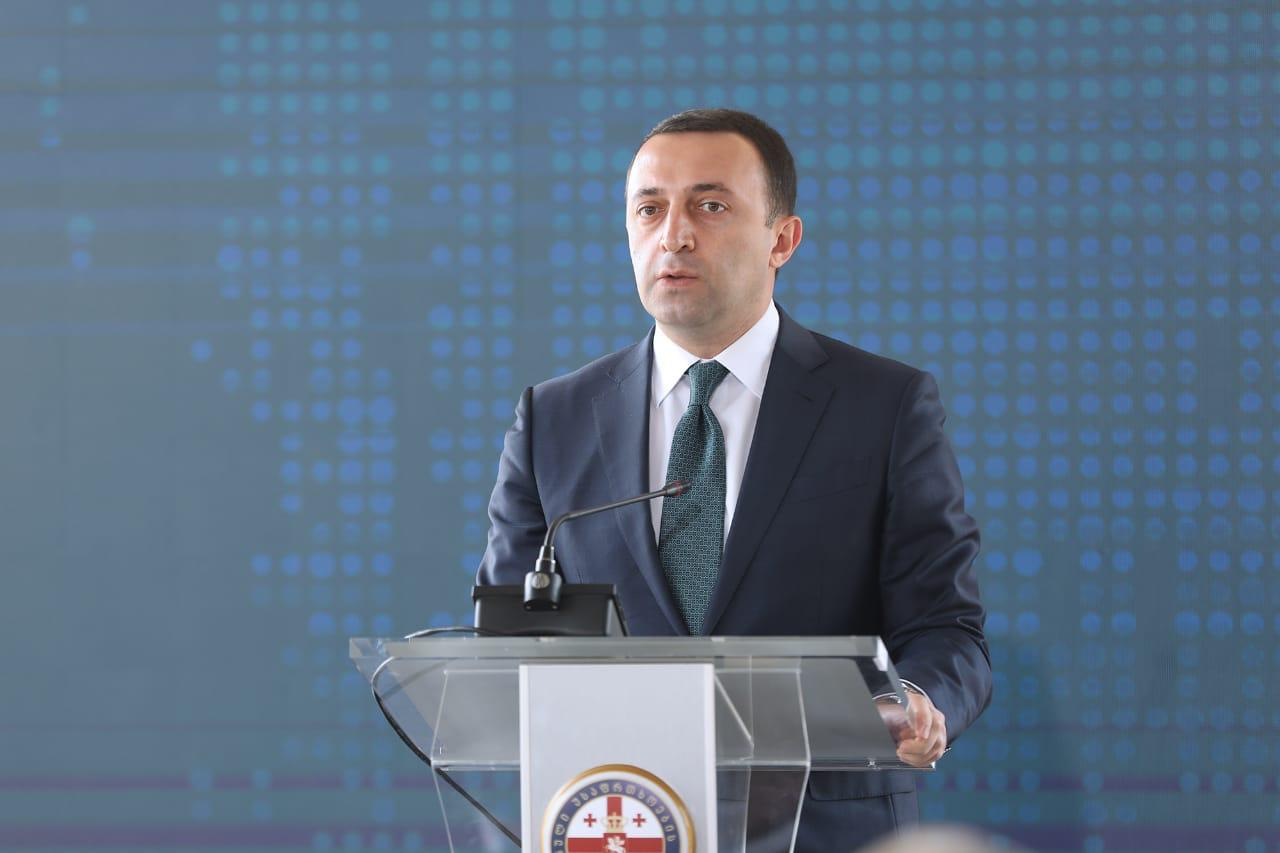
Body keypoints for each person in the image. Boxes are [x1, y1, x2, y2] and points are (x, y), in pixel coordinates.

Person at [476, 108, 991, 849]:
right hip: (622, 821)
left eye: (710, 206)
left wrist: (915, 699)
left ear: (782, 239)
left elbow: (946, 627)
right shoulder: (553, 419)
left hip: (824, 827)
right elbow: (506, 648)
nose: (674, 235)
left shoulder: (883, 406)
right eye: (650, 209)